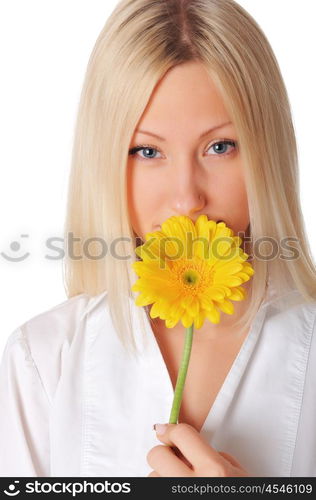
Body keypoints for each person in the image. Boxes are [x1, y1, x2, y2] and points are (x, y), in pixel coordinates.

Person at [1, 0, 316, 478]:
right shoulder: (42, 359)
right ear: (105, 162)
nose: (187, 199)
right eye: (147, 151)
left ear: (268, 152)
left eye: (220, 147)